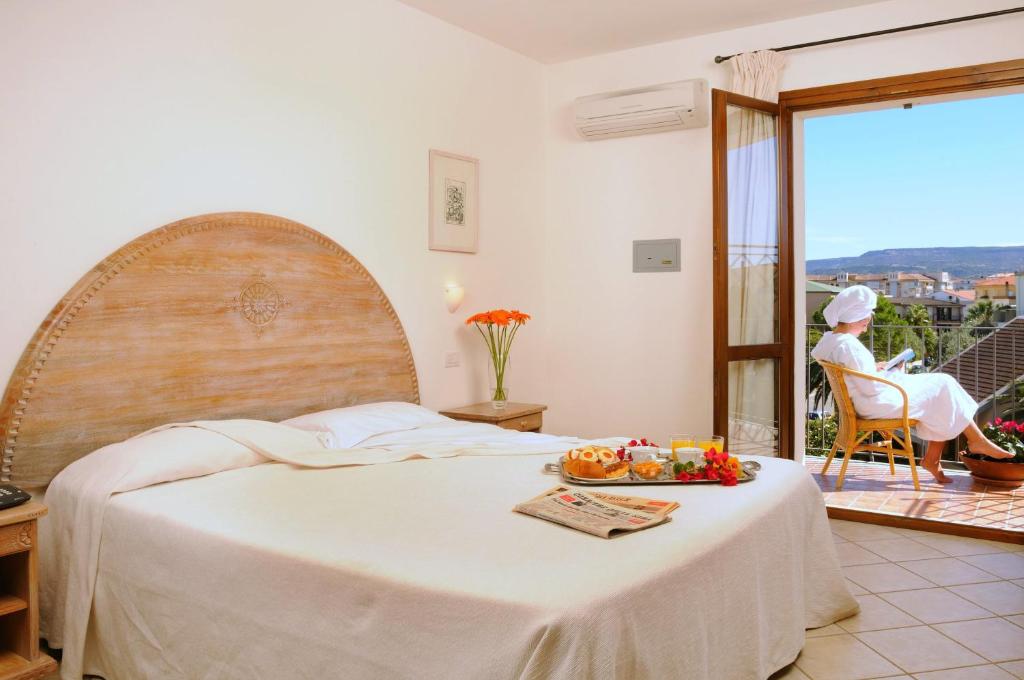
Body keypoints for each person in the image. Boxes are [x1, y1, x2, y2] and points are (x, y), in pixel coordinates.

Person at [810, 285, 1012, 484]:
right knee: (943, 388)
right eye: (865, 320)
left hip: (866, 399)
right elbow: (870, 387)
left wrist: (878, 368)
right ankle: (968, 444)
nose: (866, 325)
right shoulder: (849, 345)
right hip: (875, 402)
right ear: (857, 317)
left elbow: (858, 375)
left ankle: (948, 453)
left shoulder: (832, 340)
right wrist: (893, 372)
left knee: (942, 386)